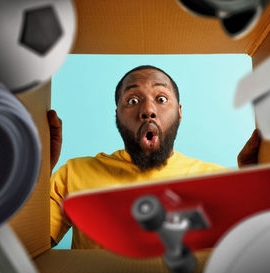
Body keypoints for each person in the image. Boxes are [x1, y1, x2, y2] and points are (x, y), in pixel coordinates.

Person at [48, 65, 259, 249]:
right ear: (117, 115)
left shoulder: (218, 181)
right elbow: (29, 245)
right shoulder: (74, 175)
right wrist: (35, 173)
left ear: (179, 112)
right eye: (132, 100)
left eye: (161, 99)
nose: (148, 110)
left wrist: (255, 190)